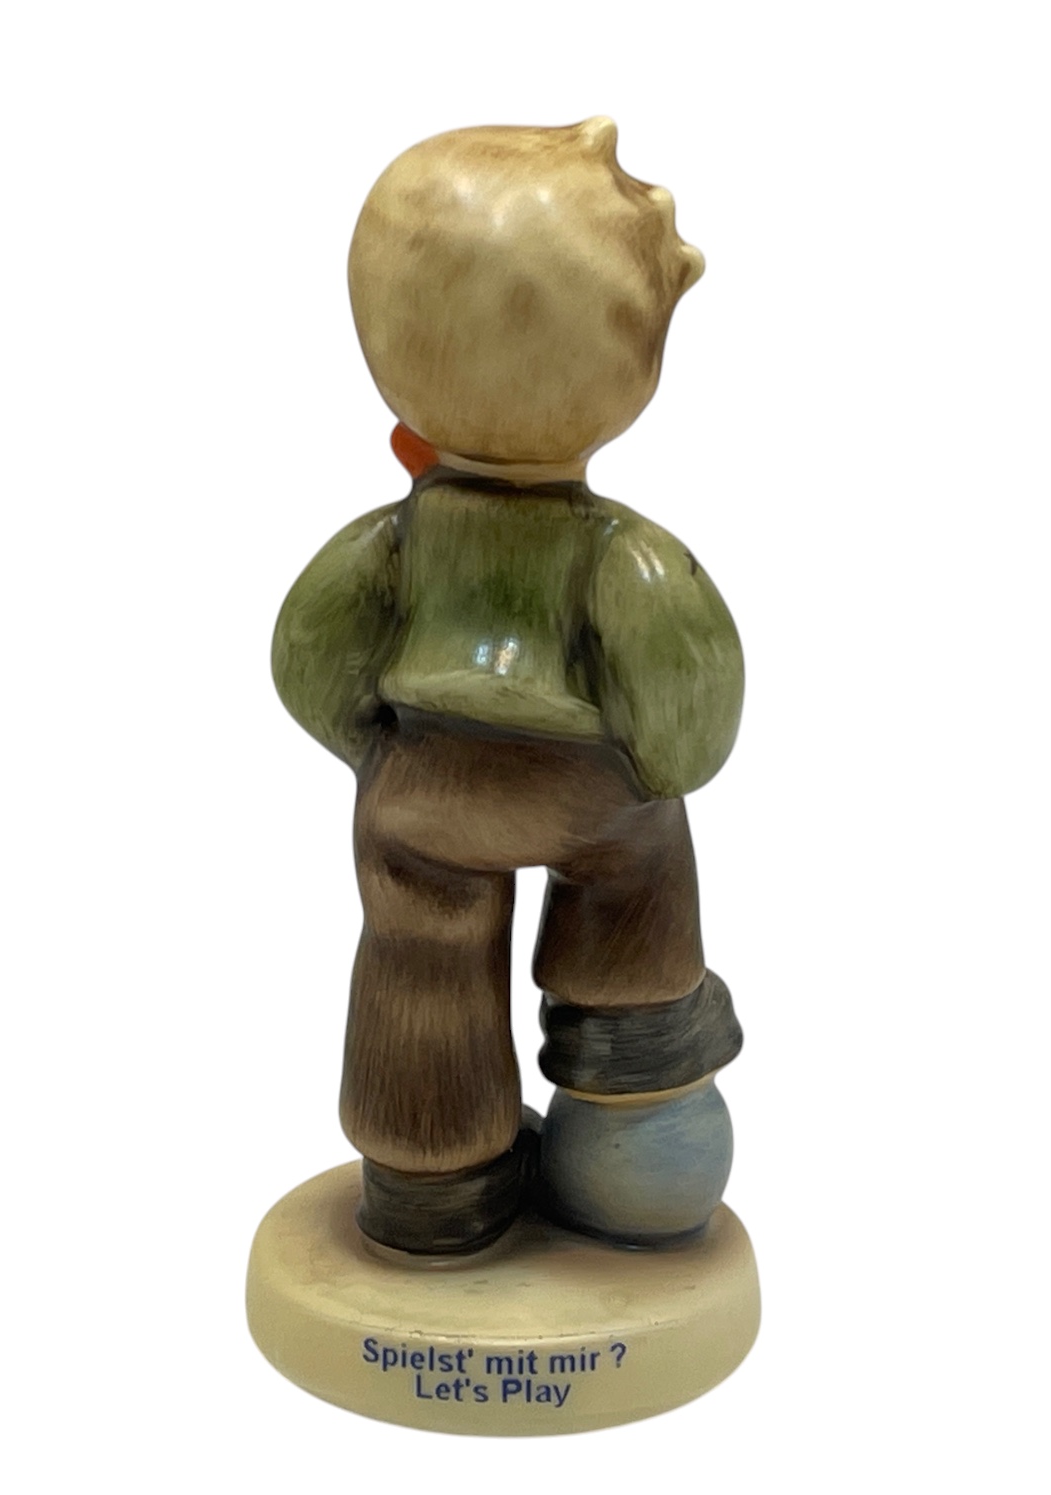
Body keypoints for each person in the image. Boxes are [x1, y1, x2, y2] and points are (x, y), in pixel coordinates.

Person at [273, 119, 745, 1255]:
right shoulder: (625, 558)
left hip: (425, 794)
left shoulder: (387, 545)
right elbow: (689, 722)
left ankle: (429, 1179)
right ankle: (638, 1112)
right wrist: (649, 773)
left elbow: (306, 663)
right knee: (638, 870)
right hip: (591, 796)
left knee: (419, 964)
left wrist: (388, 759)